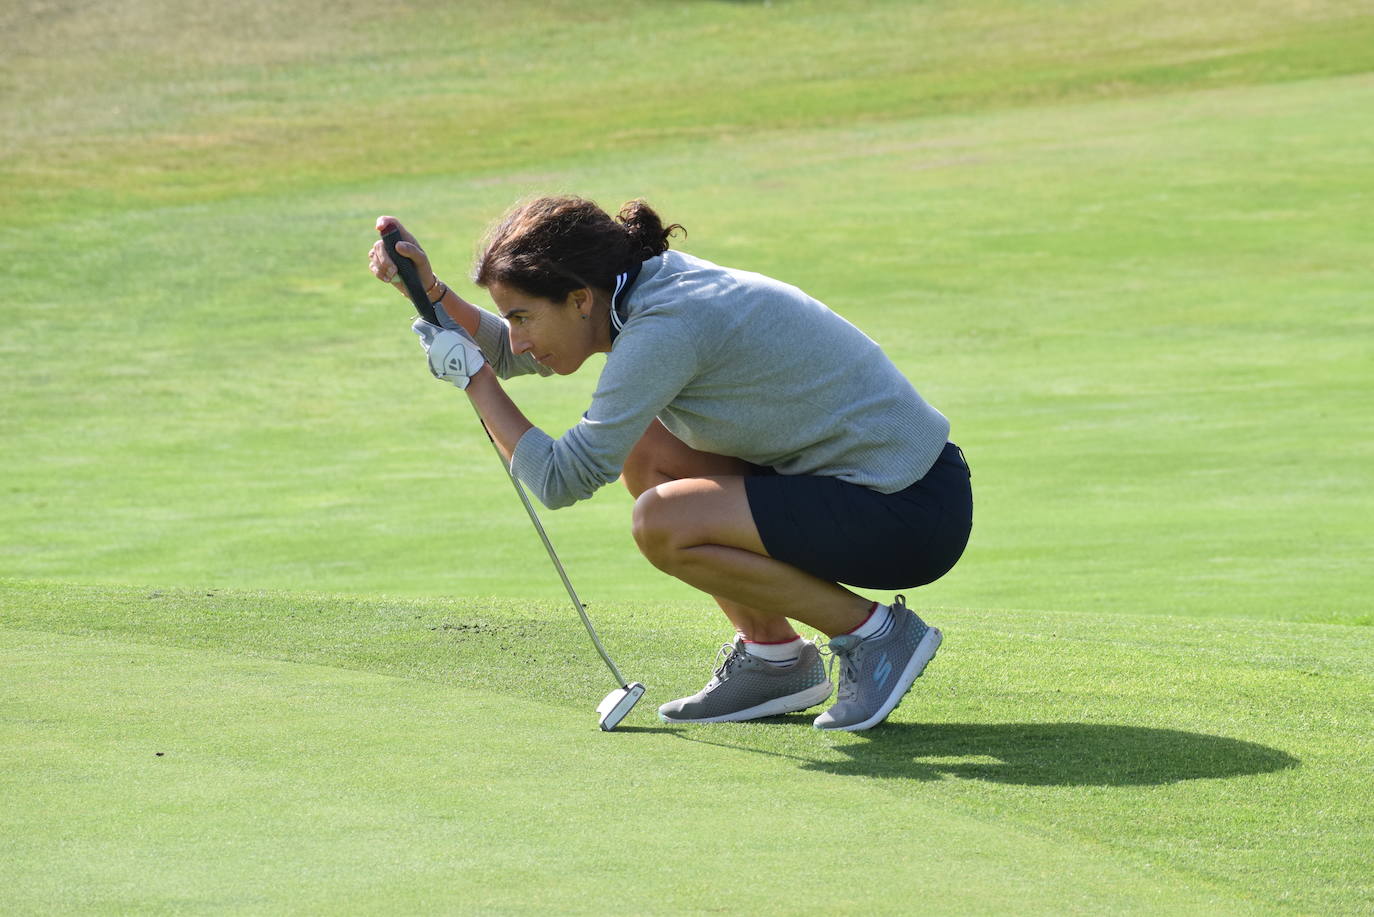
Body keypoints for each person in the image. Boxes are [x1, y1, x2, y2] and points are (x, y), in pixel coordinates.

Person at [368, 196, 972, 732]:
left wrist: (471, 379)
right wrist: (430, 295)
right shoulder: (638, 291)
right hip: (863, 490)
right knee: (647, 449)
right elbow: (512, 353)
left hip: (907, 510)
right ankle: (775, 659)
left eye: (523, 316)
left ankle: (876, 636)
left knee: (663, 522)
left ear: (580, 298)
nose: (518, 336)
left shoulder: (665, 324)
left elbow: (559, 480)